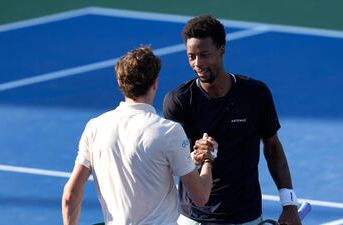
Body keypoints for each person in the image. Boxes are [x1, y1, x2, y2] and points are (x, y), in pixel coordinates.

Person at [163, 15, 301, 225]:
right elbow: (175, 160)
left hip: (245, 216)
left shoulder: (256, 94)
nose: (197, 63)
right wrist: (198, 155)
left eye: (204, 55)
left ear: (222, 50)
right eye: (191, 56)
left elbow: (273, 149)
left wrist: (289, 204)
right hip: (194, 217)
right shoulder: (179, 100)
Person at [62, 46, 216, 225]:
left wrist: (189, 160)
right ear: (155, 83)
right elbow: (201, 197)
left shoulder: (95, 127)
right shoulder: (169, 131)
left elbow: (70, 195)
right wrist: (208, 160)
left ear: (120, 82)